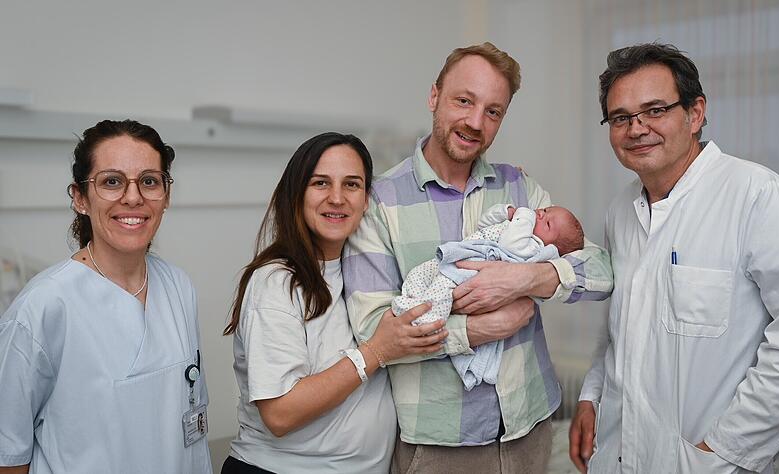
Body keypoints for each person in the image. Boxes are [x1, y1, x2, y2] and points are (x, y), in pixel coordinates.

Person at [344, 42, 614, 474]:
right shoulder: (380, 202)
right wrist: (474, 330)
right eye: (464, 101)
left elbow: (601, 270)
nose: (475, 122)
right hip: (439, 443)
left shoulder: (521, 189)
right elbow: (373, 328)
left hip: (530, 425)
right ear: (434, 97)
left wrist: (521, 280)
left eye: (493, 111)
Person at [569, 43, 779, 474]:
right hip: (615, 454)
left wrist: (723, 450)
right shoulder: (620, 211)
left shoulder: (756, 195)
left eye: (654, 110)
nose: (636, 129)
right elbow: (619, 328)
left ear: (695, 113)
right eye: (620, 117)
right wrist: (589, 397)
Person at [221, 132, 448, 474]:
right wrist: (376, 352)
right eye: (321, 183)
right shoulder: (276, 282)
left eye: (352, 184)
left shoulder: (366, 271)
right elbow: (280, 414)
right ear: (296, 194)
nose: (337, 198)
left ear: (367, 199)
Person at [0, 119, 212, 473]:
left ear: (166, 196)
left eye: (149, 181)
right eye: (112, 182)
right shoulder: (44, 307)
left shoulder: (178, 286)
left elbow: (191, 420)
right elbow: (9, 455)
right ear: (80, 198)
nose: (133, 197)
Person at [393, 203, 584, 390]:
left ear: (552, 245)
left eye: (548, 224)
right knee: (420, 274)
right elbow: (484, 223)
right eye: (545, 210)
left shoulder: (533, 246)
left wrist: (524, 215)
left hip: (473, 271)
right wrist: (505, 211)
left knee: (442, 290)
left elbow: (511, 245)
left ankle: (426, 324)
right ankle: (410, 303)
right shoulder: (518, 225)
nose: (541, 215)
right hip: (464, 255)